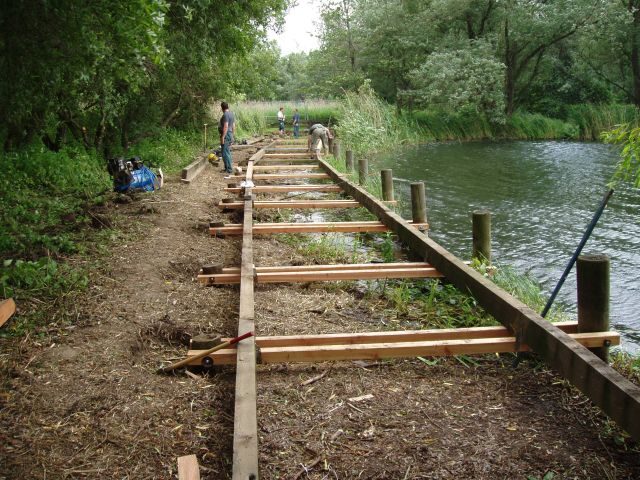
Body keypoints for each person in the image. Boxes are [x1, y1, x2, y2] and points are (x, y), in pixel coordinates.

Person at [219, 101, 235, 174]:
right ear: (228, 107)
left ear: (222, 108)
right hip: (230, 133)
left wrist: (223, 137)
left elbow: (226, 126)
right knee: (227, 151)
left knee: (225, 152)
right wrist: (232, 135)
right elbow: (233, 126)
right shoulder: (231, 114)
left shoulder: (225, 115)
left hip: (226, 134)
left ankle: (229, 169)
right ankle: (227, 168)